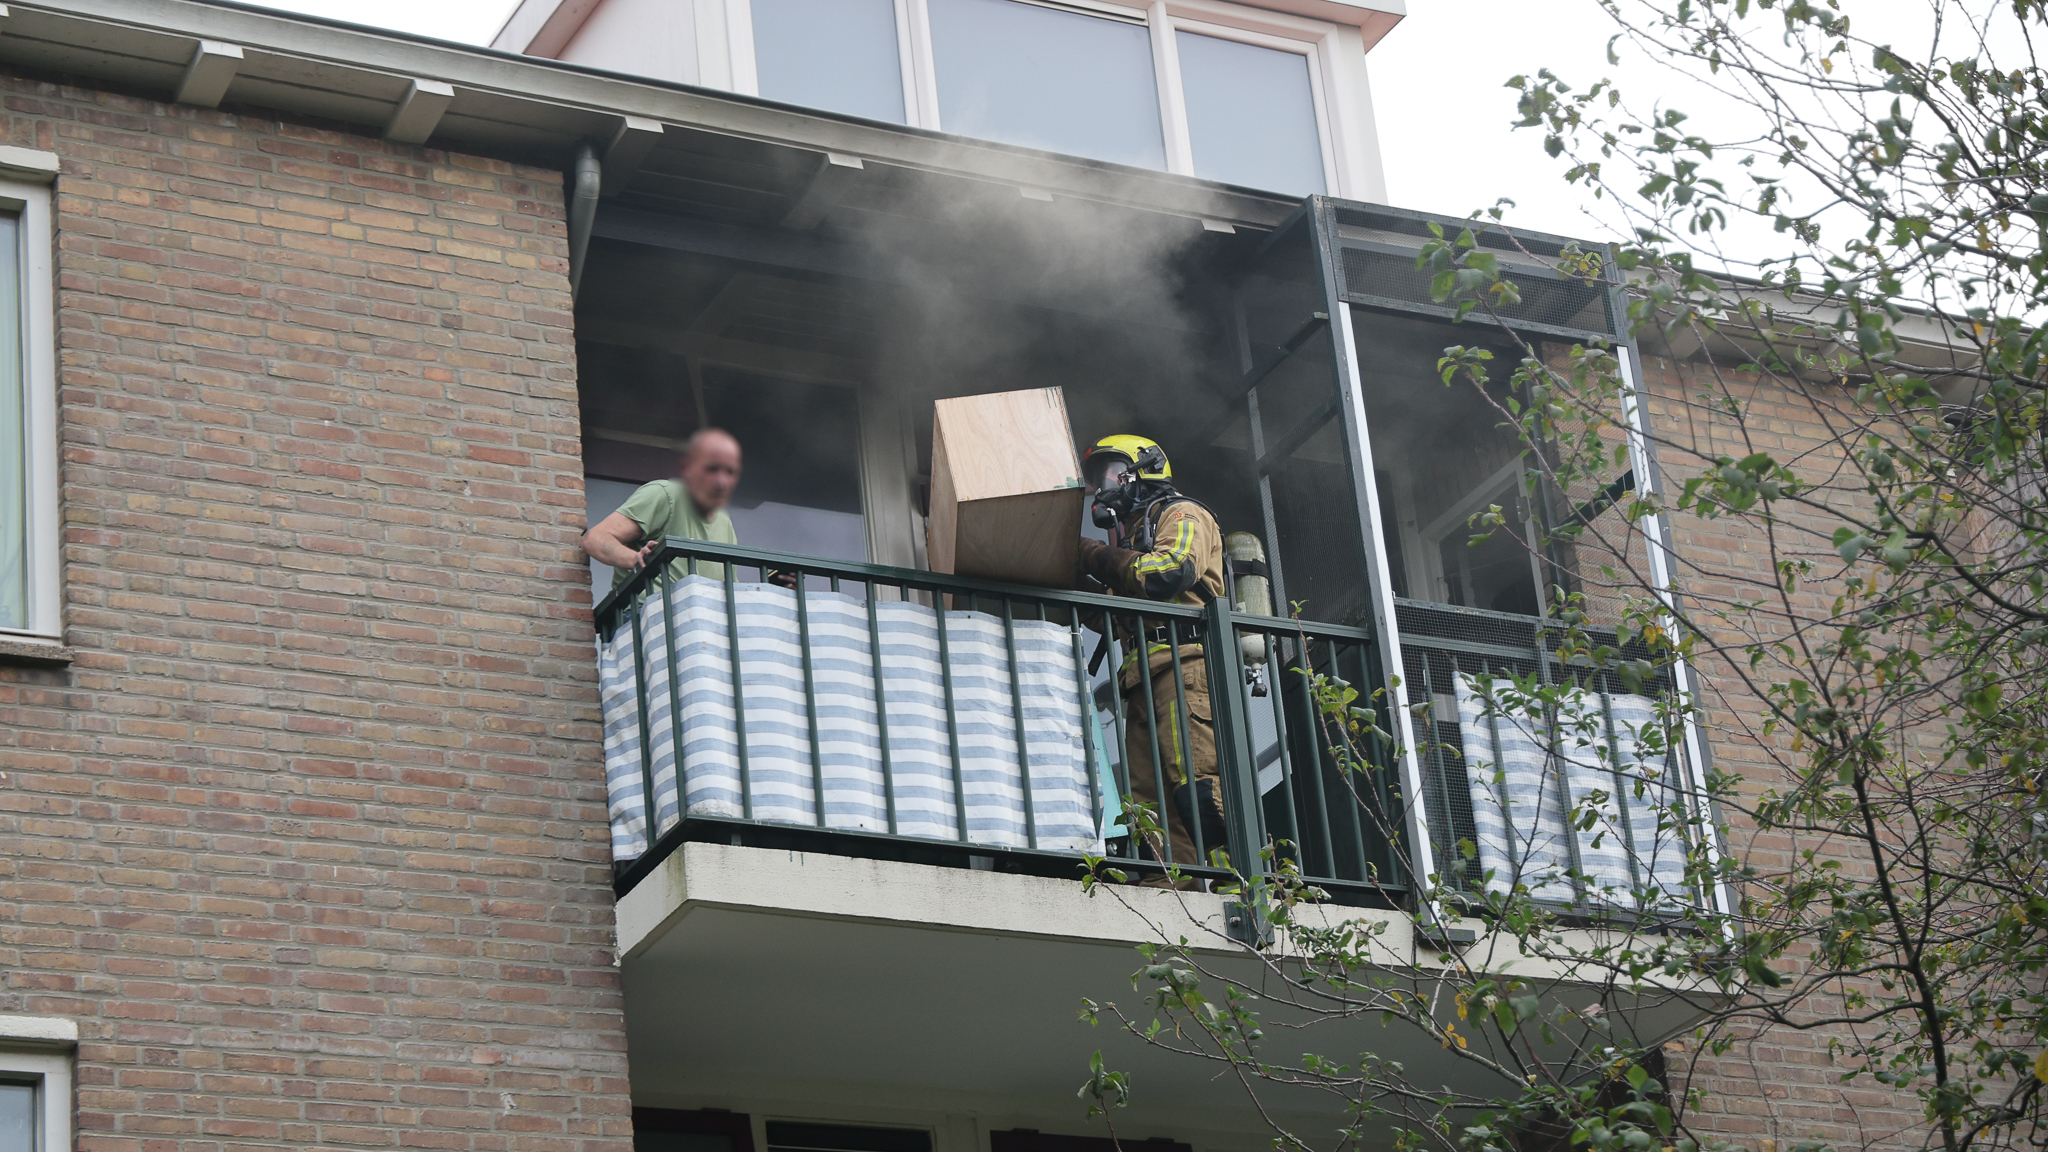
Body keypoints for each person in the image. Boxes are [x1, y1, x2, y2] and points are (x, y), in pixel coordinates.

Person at [1075, 434, 1229, 878]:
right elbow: (1107, 609)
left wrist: (1090, 553)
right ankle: (1170, 890)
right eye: (1097, 478)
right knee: (1149, 803)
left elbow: (1166, 573)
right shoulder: (1133, 537)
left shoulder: (1181, 514)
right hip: (1140, 679)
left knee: (1197, 787)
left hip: (1185, 669)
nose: (1103, 486)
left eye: (1110, 473)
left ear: (1143, 469)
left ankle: (1230, 886)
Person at [582, 427, 743, 597]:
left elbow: (730, 587)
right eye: (712, 468)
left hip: (701, 619)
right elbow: (595, 539)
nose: (721, 480)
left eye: (730, 471)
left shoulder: (724, 520)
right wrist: (636, 559)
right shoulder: (665, 494)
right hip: (646, 615)